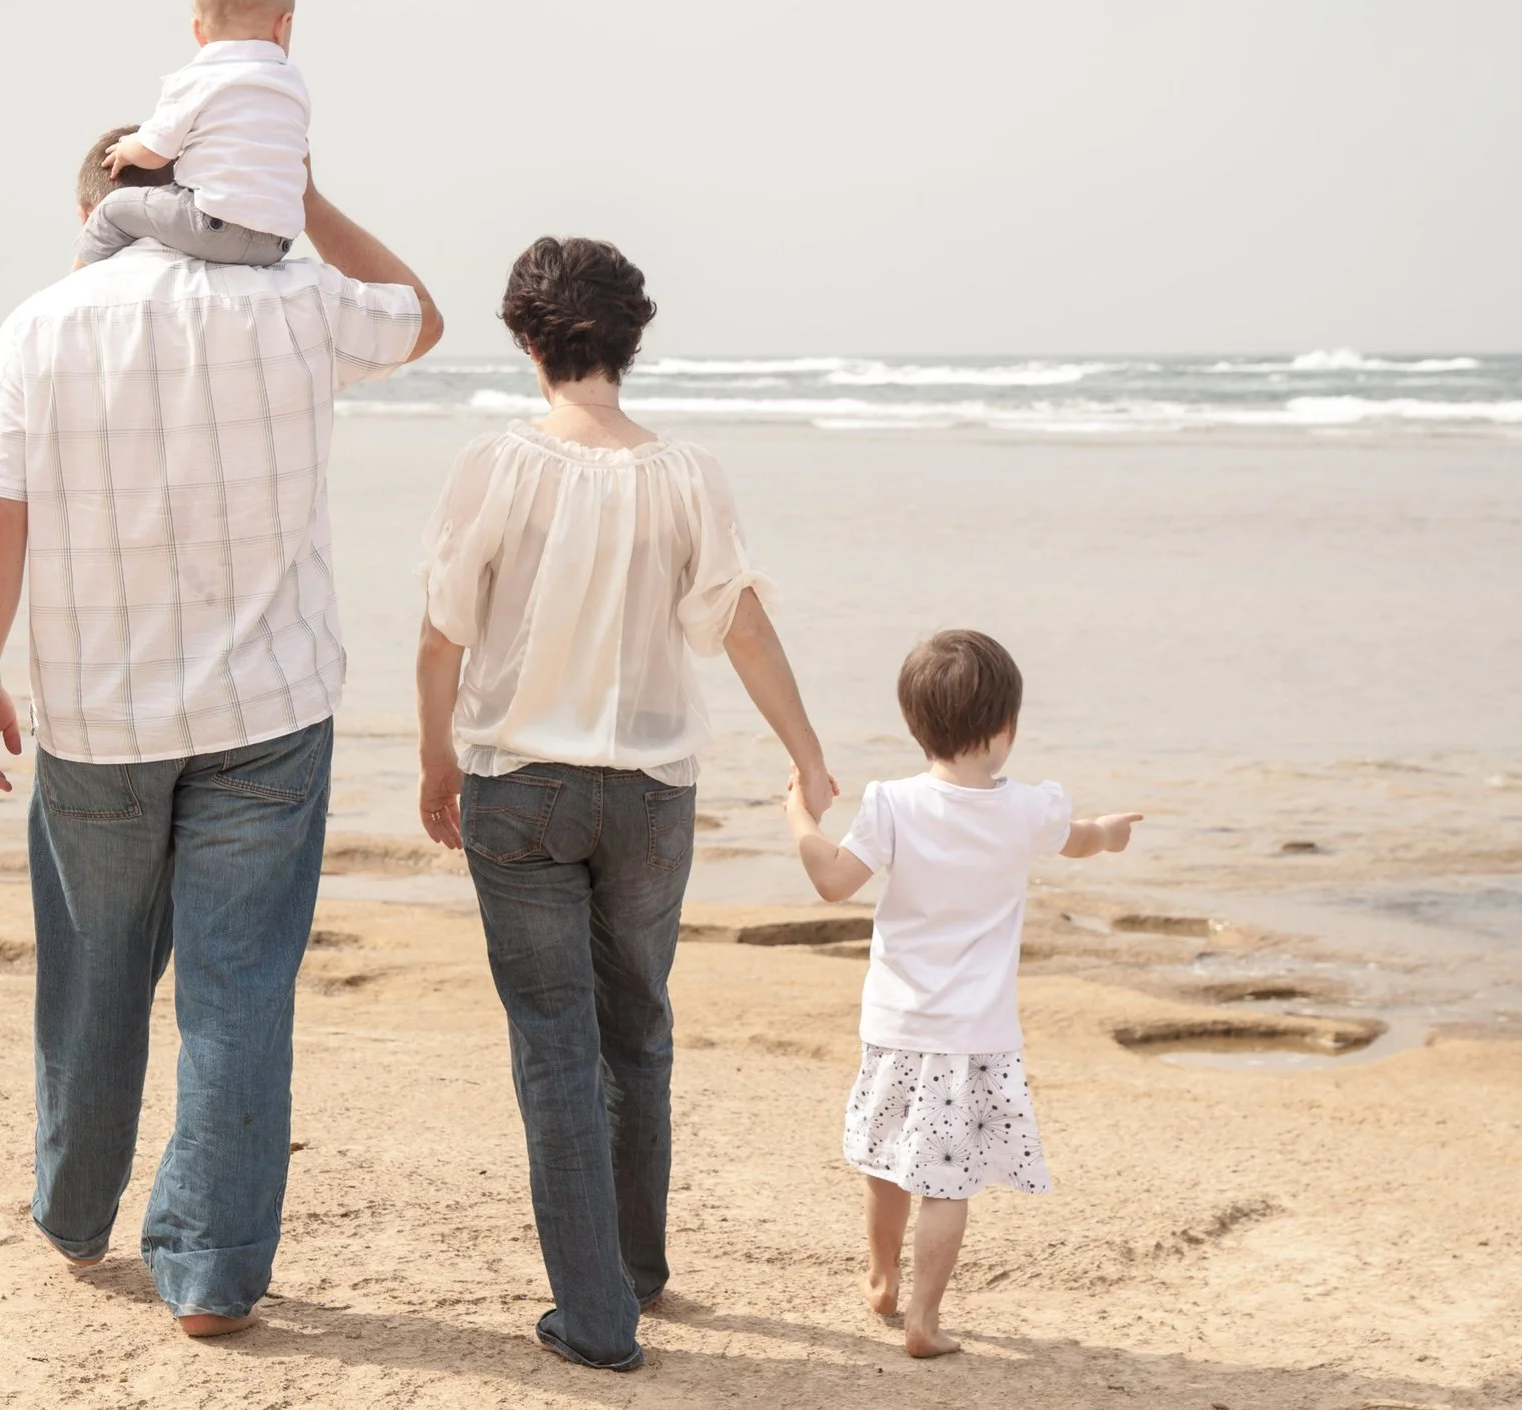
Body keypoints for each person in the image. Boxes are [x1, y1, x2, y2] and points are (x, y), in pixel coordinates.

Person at [0, 124, 442, 1339]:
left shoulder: (45, 324)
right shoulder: (293, 302)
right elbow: (417, 313)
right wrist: (308, 197)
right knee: (237, 991)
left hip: (97, 713)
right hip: (266, 713)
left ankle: (73, 1213)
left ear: (95, 206)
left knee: (95, 969)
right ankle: (212, 1273)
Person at [415, 237, 837, 1370]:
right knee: (636, 1027)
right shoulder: (685, 472)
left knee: (556, 1045)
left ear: (526, 339)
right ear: (630, 340)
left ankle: (597, 1316)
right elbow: (739, 623)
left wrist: (432, 763)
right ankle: (634, 1272)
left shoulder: (495, 464)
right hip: (651, 795)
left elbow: (442, 634)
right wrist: (808, 754)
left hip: (522, 787)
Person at [784, 629, 1142, 1358]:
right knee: (946, 1184)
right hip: (975, 1037)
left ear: (916, 726)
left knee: (887, 1161)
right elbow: (1080, 838)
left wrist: (799, 815)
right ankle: (923, 1319)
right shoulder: (1026, 810)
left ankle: (880, 1280)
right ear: (1006, 729)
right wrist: (1109, 833)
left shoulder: (890, 805)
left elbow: (832, 881)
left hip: (896, 1025)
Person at [78, 0, 308, 269]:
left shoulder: (198, 76)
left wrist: (128, 148)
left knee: (111, 210)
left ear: (198, 31)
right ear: (282, 25)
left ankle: (75, 284)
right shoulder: (292, 86)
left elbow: (156, 152)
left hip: (214, 228)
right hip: (276, 242)